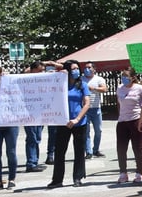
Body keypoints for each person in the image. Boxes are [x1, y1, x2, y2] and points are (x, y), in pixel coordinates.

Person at [48, 60, 91, 188]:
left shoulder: (82, 85)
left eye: (77, 68)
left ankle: (77, 177)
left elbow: (87, 103)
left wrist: (77, 119)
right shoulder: (60, 84)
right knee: (60, 151)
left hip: (79, 122)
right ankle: (57, 180)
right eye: (73, 69)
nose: (76, 71)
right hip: (63, 123)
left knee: (79, 151)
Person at [115, 68, 142, 183]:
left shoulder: (140, 89)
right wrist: (120, 115)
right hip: (122, 121)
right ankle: (123, 172)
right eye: (122, 76)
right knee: (121, 148)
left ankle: (139, 172)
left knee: (137, 148)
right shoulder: (119, 88)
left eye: (126, 76)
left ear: (133, 77)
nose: (124, 78)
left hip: (135, 120)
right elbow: (118, 104)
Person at [23, 60, 47, 172]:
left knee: (37, 138)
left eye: (43, 71)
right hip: (29, 114)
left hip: (40, 113)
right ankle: (31, 163)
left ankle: (34, 161)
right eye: (39, 70)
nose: (41, 73)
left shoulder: (43, 82)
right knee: (32, 138)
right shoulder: (25, 80)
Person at [83, 61, 107, 158]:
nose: (87, 69)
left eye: (89, 67)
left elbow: (104, 89)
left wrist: (92, 88)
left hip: (96, 108)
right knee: (86, 131)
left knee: (98, 130)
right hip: (85, 109)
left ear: (94, 69)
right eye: (85, 68)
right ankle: (88, 152)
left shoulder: (99, 79)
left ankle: (96, 149)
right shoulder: (81, 79)